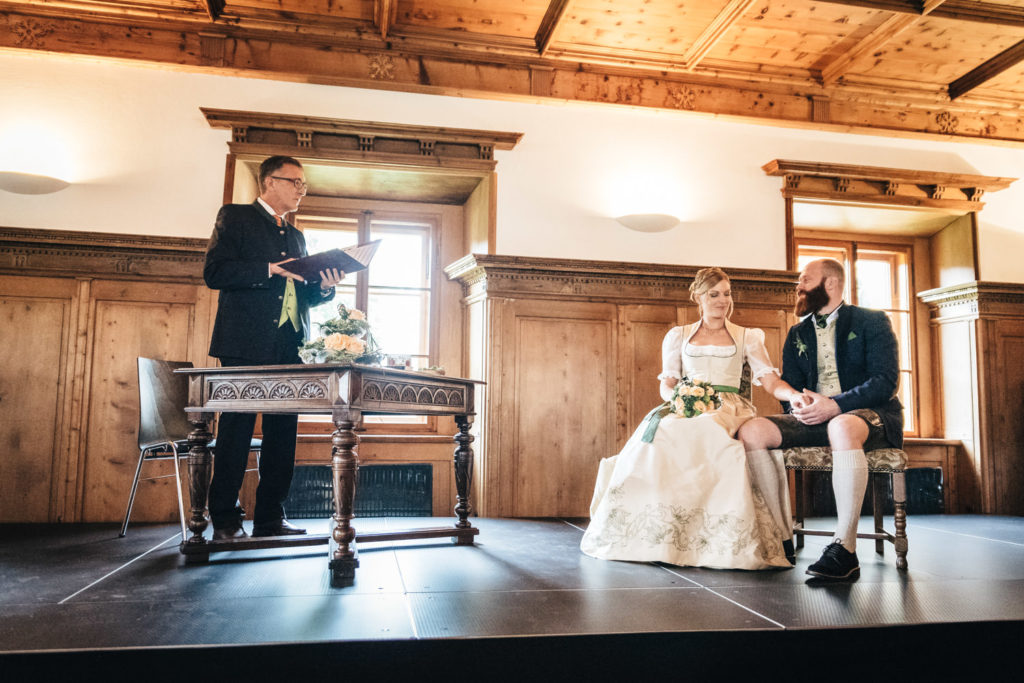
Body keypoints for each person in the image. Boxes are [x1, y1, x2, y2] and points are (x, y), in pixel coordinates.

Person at [581, 267, 805, 570]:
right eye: (714, 294)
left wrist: (792, 396)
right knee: (660, 436)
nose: (722, 300)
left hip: (728, 408)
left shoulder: (747, 337)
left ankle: (715, 537)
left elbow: (769, 380)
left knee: (709, 430)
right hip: (687, 403)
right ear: (698, 296)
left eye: (726, 293)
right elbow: (667, 383)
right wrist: (682, 399)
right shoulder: (679, 336)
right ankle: (665, 532)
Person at [204, 155, 344, 540]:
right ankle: (226, 522)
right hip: (245, 343)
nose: (301, 190)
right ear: (269, 182)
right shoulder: (235, 217)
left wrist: (325, 286)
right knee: (236, 433)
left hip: (290, 344)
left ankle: (269, 518)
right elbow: (215, 273)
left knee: (283, 435)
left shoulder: (297, 236)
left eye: (303, 184)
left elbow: (302, 295)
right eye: (294, 182)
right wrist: (268, 268)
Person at [738, 258, 903, 581]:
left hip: (868, 417)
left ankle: (845, 549)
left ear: (830, 283)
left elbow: (885, 381)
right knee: (752, 430)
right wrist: (800, 405)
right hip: (814, 417)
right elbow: (793, 382)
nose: (798, 286)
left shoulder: (872, 322)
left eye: (805, 280)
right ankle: (781, 537)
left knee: (840, 425)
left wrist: (836, 405)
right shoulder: (797, 332)